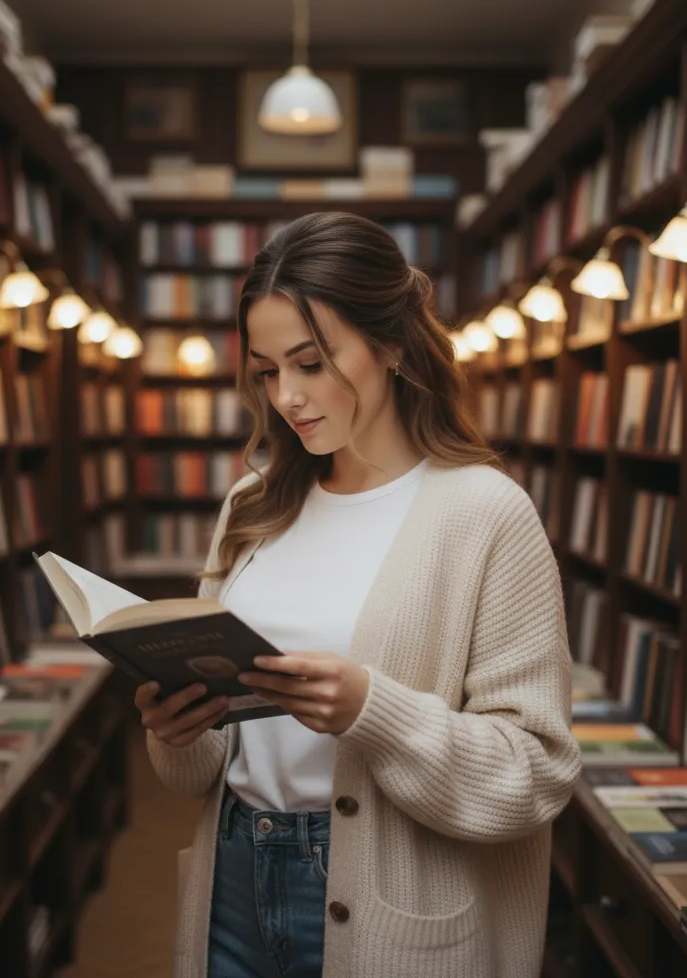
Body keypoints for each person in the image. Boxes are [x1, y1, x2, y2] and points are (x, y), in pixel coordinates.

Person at [136, 211, 581, 978]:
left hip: (384, 899)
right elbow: (203, 770)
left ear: (393, 347)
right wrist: (179, 729)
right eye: (269, 370)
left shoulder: (484, 512)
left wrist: (373, 712)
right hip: (233, 876)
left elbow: (534, 773)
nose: (287, 397)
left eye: (311, 363)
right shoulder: (251, 505)